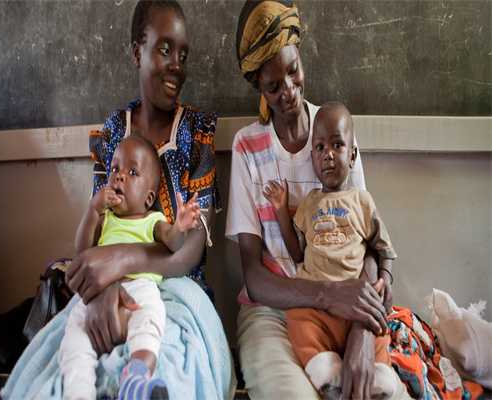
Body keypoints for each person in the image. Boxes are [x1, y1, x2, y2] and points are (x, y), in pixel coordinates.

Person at [1, 1, 234, 399]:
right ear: (136, 51)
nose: (176, 65)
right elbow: (96, 231)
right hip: (104, 283)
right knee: (63, 366)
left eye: (183, 55)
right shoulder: (112, 131)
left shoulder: (197, 133)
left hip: (177, 288)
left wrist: (120, 261)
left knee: (170, 365)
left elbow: (190, 251)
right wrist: (101, 289)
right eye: (164, 49)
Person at [226, 1, 409, 399]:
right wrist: (327, 294)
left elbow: (367, 246)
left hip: (350, 306)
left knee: (382, 390)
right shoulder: (247, 148)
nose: (289, 91)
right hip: (273, 312)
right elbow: (254, 278)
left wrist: (362, 330)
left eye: (293, 71)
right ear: (259, 87)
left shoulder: (336, 131)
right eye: (273, 86)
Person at [263, 102, 398, 399]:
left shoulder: (363, 202)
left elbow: (383, 248)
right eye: (320, 147)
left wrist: (385, 279)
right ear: (312, 157)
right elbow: (297, 254)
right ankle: (326, 371)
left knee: (378, 325)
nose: (328, 154)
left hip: (356, 301)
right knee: (297, 318)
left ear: (353, 155)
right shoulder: (309, 204)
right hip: (318, 306)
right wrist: (281, 211)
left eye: (337, 145)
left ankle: (379, 374)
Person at [60, 136, 201, 400]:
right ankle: (78, 391)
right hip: (99, 289)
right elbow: (82, 252)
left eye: (132, 172)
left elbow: (173, 243)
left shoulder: (152, 219)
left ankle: (136, 376)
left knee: (149, 322)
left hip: (140, 289)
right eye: (115, 168)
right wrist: (92, 211)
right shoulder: (106, 219)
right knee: (75, 335)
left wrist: (180, 227)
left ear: (148, 199)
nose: (119, 175)